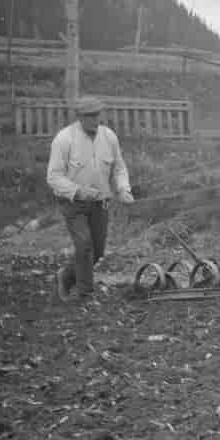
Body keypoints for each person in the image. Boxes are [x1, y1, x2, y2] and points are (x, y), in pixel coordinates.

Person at [47, 96, 135, 302]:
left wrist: (123, 189)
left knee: (97, 251)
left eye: (97, 115)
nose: (95, 120)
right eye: (90, 116)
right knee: (84, 245)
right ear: (80, 117)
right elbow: (53, 177)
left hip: (100, 203)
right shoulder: (64, 139)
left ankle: (66, 276)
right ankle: (85, 293)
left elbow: (119, 168)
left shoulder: (109, 137)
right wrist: (78, 191)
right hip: (72, 203)